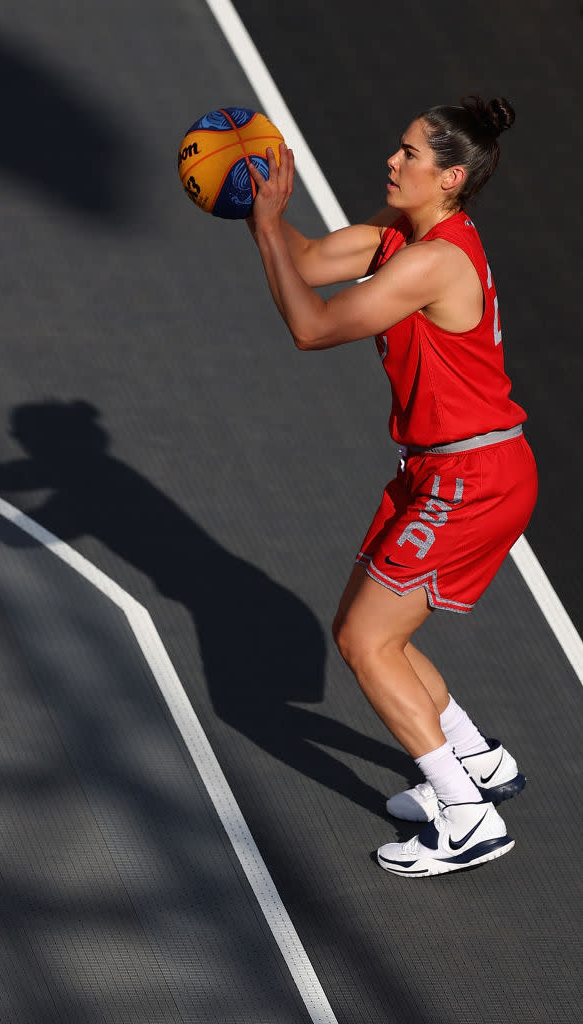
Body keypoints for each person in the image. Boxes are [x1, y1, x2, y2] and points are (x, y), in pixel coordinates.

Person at [245, 95, 538, 876]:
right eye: (397, 145)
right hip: (441, 470)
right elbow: (306, 263)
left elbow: (310, 325)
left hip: (468, 477)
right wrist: (260, 213)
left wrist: (268, 226)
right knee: (373, 630)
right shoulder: (396, 237)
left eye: (409, 154)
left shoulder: (429, 261)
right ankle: (475, 761)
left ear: (448, 179)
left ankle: (466, 818)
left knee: (363, 640)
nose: (391, 160)